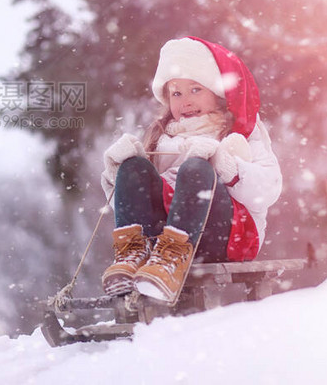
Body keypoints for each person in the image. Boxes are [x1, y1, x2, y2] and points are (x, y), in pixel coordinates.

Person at [99, 36, 282, 304]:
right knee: (135, 167)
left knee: (196, 169)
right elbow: (134, 204)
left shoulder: (242, 130)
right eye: (176, 93)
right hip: (160, 242)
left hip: (225, 236)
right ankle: (133, 255)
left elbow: (269, 189)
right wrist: (118, 174)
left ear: (217, 93)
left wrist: (228, 167)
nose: (185, 101)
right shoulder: (161, 138)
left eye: (195, 89)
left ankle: (172, 257)